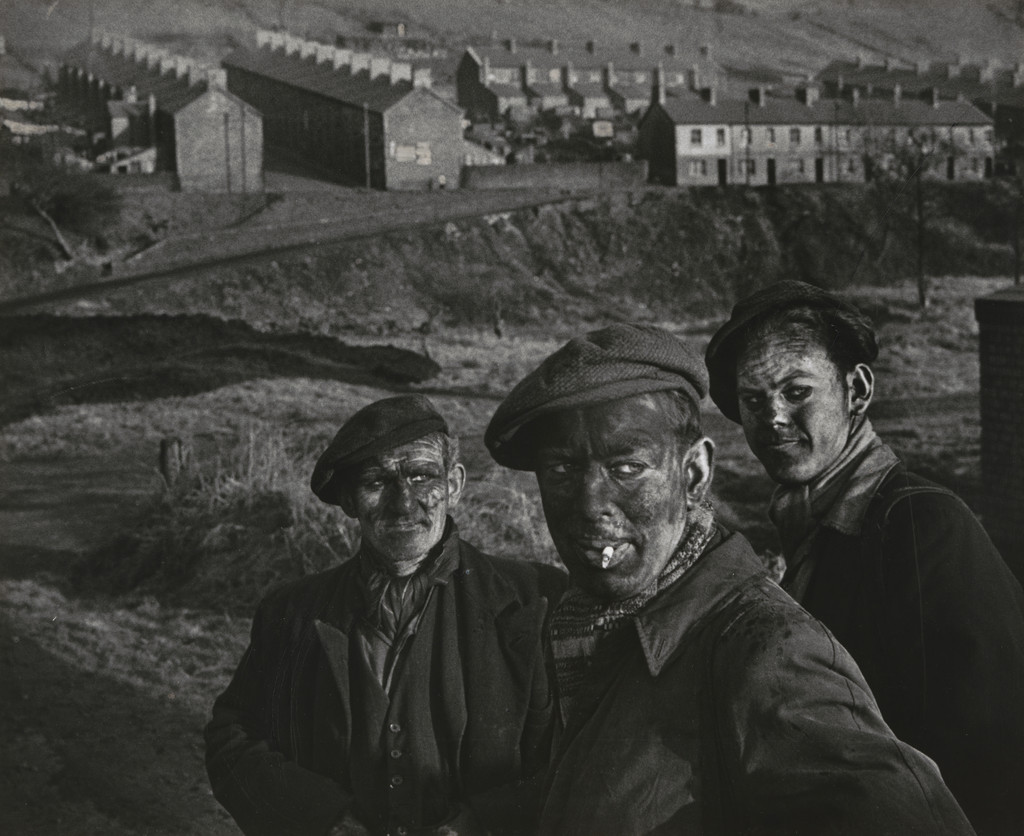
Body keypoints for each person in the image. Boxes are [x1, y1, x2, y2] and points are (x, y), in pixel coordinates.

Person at [484, 322, 975, 836]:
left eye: (627, 467)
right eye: (560, 471)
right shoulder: (607, 618)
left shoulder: (765, 649)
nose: (589, 505)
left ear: (693, 473)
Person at [705, 280, 1024, 835]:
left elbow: (994, 755)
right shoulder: (814, 528)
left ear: (856, 390)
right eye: (754, 401)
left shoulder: (922, 528)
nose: (773, 417)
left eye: (797, 392)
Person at [205, 394, 565, 836]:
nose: (403, 503)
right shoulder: (293, 612)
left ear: (453, 485)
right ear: (350, 500)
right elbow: (232, 739)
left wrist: (485, 822)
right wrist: (321, 817)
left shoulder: (536, 601)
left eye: (421, 476)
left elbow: (582, 756)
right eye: (376, 482)